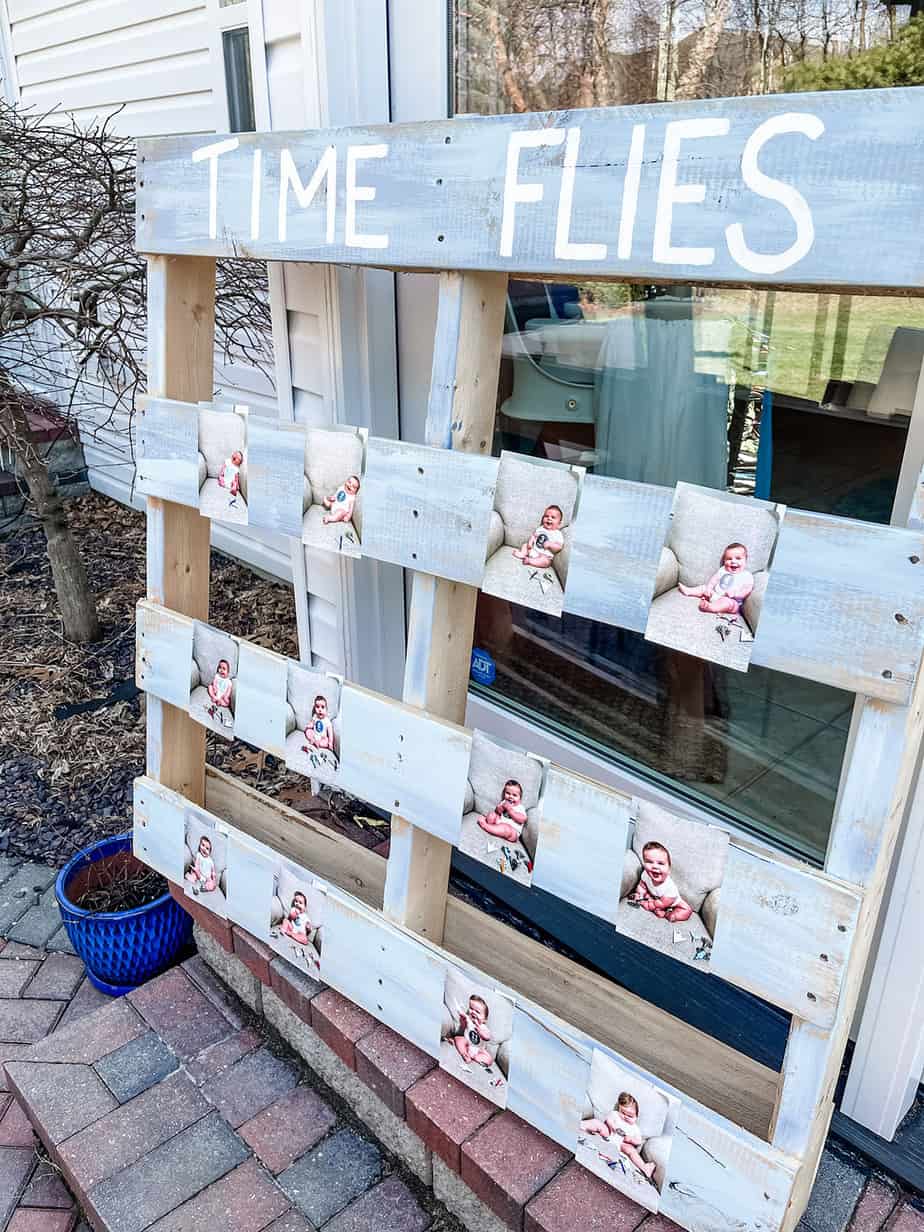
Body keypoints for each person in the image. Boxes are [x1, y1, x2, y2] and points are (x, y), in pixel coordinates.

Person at [581, 1092, 657, 1181]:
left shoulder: (635, 1128)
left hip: (622, 1144)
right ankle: (582, 1125)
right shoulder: (615, 1114)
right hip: (609, 1134)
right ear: (619, 1108)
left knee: (631, 1150)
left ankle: (645, 1168)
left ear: (636, 1116)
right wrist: (613, 1127)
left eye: (630, 1116)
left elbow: (638, 1141)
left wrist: (630, 1139)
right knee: (598, 1123)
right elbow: (608, 1120)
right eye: (623, 1112)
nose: (625, 1117)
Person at [678, 542, 754, 617]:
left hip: (731, 601)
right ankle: (689, 591)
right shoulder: (723, 570)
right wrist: (709, 588)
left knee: (729, 603)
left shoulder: (746, 576)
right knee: (703, 588)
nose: (733, 561)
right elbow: (713, 580)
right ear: (724, 561)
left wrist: (736, 594)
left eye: (738, 558)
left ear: (745, 560)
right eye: (729, 559)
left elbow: (747, 590)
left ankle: (711, 607)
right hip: (715, 594)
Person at [628, 841, 692, 923]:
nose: (654, 866)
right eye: (649, 862)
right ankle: (656, 907)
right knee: (647, 895)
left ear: (669, 869)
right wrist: (640, 894)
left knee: (687, 910)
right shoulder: (645, 874)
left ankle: (670, 915)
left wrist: (647, 905)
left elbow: (662, 903)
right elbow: (642, 886)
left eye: (661, 863)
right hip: (655, 897)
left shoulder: (670, 888)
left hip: (671, 902)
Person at [513, 505, 565, 569]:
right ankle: (522, 554)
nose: (549, 518)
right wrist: (530, 542)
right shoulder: (541, 529)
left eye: (553, 517)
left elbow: (559, 547)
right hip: (533, 550)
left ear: (559, 524)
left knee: (546, 562)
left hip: (543, 555)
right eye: (546, 516)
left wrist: (550, 545)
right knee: (525, 545)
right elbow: (534, 536)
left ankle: (530, 561)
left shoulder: (557, 534)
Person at [476, 779, 528, 844]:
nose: (510, 797)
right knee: (492, 814)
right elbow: (498, 812)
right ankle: (492, 826)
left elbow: (522, 819)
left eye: (514, 795)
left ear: (520, 798)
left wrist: (510, 810)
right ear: (504, 794)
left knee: (506, 828)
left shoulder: (520, 807)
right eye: (508, 793)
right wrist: (500, 808)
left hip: (512, 831)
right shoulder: (504, 802)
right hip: (499, 822)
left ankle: (486, 826)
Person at [450, 993, 494, 1068]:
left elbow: (488, 1037)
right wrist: (463, 1021)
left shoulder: (483, 1027)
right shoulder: (469, 1020)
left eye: (477, 1012)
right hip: (467, 1044)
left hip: (479, 1050)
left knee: (489, 1059)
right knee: (458, 1039)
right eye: (471, 1008)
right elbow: (463, 1028)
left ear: (484, 1020)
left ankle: (475, 1057)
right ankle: (464, 1053)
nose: (473, 1012)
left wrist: (481, 1032)